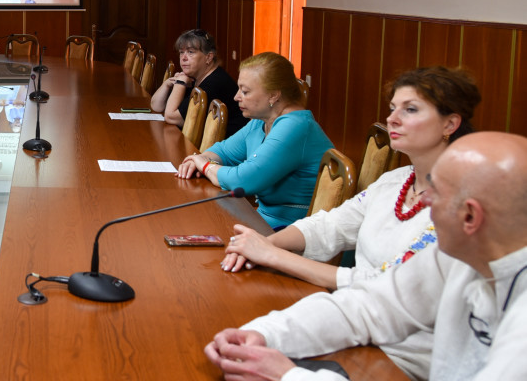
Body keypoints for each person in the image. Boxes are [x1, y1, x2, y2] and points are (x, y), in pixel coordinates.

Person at [220, 66, 480, 378]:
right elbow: (329, 225)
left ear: (450, 123)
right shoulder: (395, 180)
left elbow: (382, 289)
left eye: (410, 110)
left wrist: (273, 255)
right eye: (392, 109)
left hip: (404, 360)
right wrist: (263, 245)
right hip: (357, 330)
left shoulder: (461, 210)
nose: (393, 119)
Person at [205, 132, 527, 381]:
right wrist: (265, 334)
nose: (424, 201)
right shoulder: (459, 253)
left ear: (470, 218)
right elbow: (367, 306)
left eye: (437, 193)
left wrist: (289, 374)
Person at [177, 52, 332, 228]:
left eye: (245, 91)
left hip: (292, 232)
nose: (236, 97)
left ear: (273, 95)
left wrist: (204, 165)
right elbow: (224, 151)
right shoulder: (262, 120)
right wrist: (202, 158)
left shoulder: (295, 127)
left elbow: (241, 180)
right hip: (262, 218)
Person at [150, 30, 245, 137]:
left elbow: (171, 117)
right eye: (181, 52)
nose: (184, 58)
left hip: (223, 148)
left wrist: (180, 83)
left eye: (191, 52)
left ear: (208, 57)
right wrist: (167, 84)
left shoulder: (215, 83)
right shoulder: (195, 77)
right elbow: (156, 106)